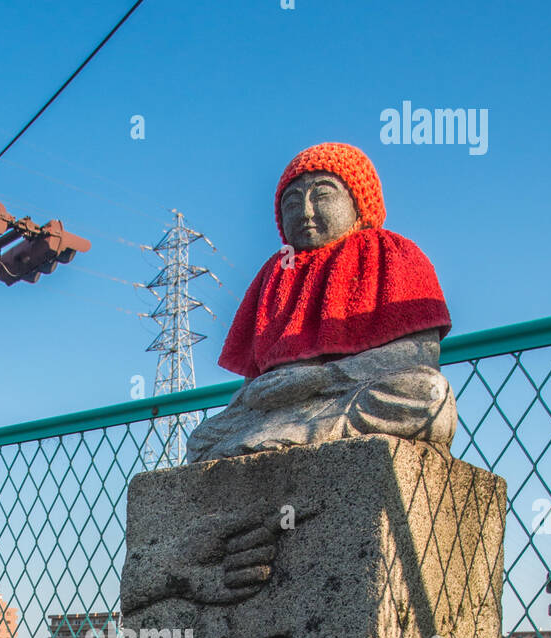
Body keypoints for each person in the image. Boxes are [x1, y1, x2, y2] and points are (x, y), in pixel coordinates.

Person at [185, 142, 458, 464]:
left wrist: (324, 378)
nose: (306, 212)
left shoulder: (390, 252)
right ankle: (287, 429)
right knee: (202, 439)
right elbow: (259, 372)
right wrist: (254, 393)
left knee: (425, 392)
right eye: (292, 202)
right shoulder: (278, 270)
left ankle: (294, 432)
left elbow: (419, 354)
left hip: (348, 390)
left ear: (358, 202)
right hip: (282, 408)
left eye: (323, 195)